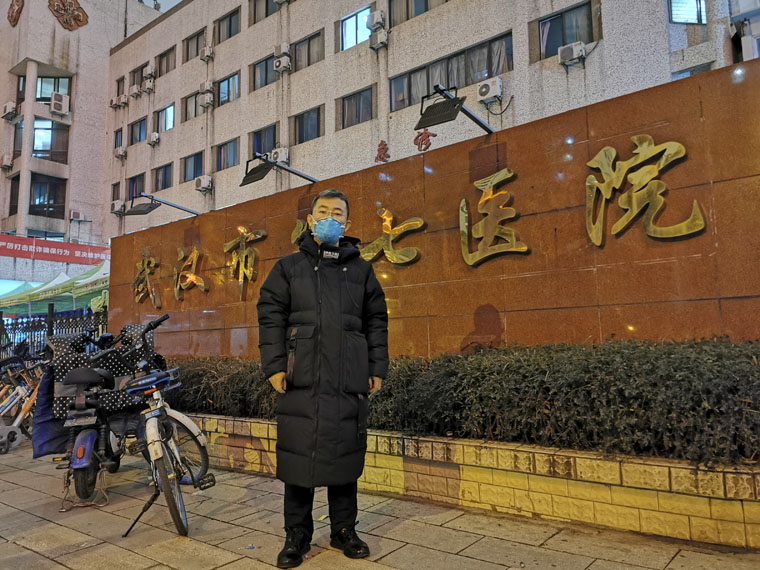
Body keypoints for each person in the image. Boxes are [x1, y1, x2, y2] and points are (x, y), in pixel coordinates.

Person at [257, 189, 388, 569]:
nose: (331, 218)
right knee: (300, 460)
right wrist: (274, 366)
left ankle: (344, 530)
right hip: (301, 377)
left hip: (348, 377)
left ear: (347, 224)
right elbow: (270, 316)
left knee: (344, 458)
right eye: (324, 212)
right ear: (311, 220)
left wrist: (376, 368)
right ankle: (296, 535)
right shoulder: (288, 268)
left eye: (338, 213)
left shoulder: (361, 271)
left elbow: (376, 321)